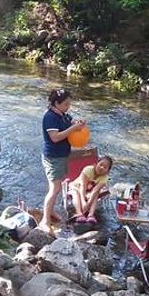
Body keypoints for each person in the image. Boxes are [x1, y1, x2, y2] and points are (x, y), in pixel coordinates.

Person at [40, 88, 87, 232]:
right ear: (56, 103)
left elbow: (72, 122)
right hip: (53, 157)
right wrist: (73, 129)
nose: (68, 107)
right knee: (55, 189)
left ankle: (51, 211)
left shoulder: (63, 115)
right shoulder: (50, 117)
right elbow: (55, 137)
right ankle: (45, 220)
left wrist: (78, 124)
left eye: (69, 104)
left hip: (62, 155)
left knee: (55, 185)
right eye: (66, 104)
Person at [68, 155, 113, 223]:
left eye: (105, 167)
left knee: (96, 193)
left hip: (88, 191)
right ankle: (79, 214)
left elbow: (95, 190)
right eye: (101, 164)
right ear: (97, 163)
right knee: (75, 193)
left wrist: (88, 203)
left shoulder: (105, 177)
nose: (102, 168)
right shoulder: (88, 169)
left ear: (108, 170)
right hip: (76, 187)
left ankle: (91, 215)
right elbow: (82, 186)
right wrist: (83, 202)